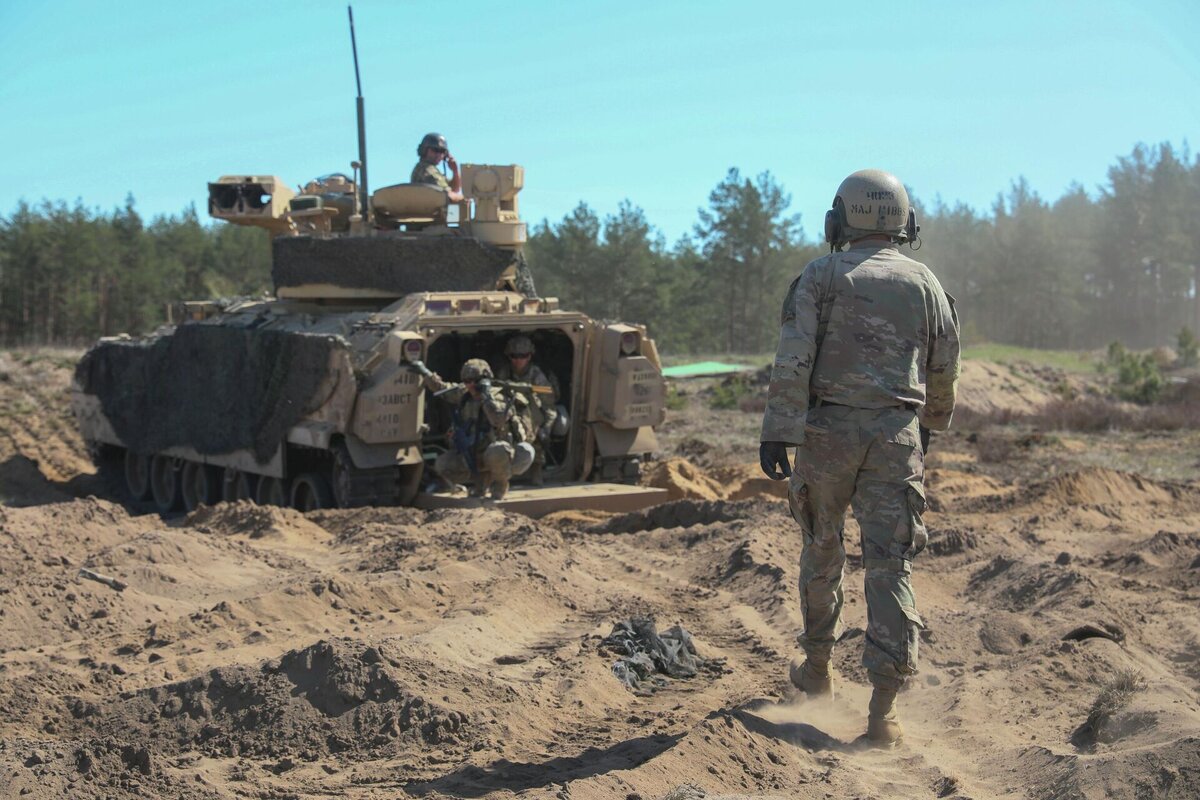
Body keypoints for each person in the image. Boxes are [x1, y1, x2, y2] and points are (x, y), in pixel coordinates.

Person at [758, 169, 960, 747]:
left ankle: (817, 671)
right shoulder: (926, 283)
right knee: (891, 566)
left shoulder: (819, 276)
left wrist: (779, 432)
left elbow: (793, 358)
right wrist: (930, 428)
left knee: (822, 549)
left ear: (839, 220)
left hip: (826, 433)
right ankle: (884, 712)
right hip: (896, 435)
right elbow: (945, 365)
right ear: (905, 223)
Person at [412, 358, 534, 500]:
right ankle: (480, 483)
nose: (470, 385)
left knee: (497, 451)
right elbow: (442, 388)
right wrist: (424, 372)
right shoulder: (464, 393)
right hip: (475, 451)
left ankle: (500, 485)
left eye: (474, 381)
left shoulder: (498, 396)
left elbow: (497, 419)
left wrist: (486, 397)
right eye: (466, 381)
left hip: (502, 454)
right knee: (443, 464)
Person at [495, 334, 560, 485]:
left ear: (529, 356)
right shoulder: (504, 373)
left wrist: (546, 429)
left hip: (533, 418)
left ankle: (536, 469)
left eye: (523, 356)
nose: (518, 360)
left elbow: (549, 406)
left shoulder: (537, 376)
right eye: (514, 356)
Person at [411, 132, 464, 202]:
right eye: (435, 150)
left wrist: (455, 171)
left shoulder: (427, 169)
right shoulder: (428, 171)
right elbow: (448, 195)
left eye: (442, 151)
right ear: (424, 150)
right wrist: (464, 198)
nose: (439, 155)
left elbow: (455, 189)